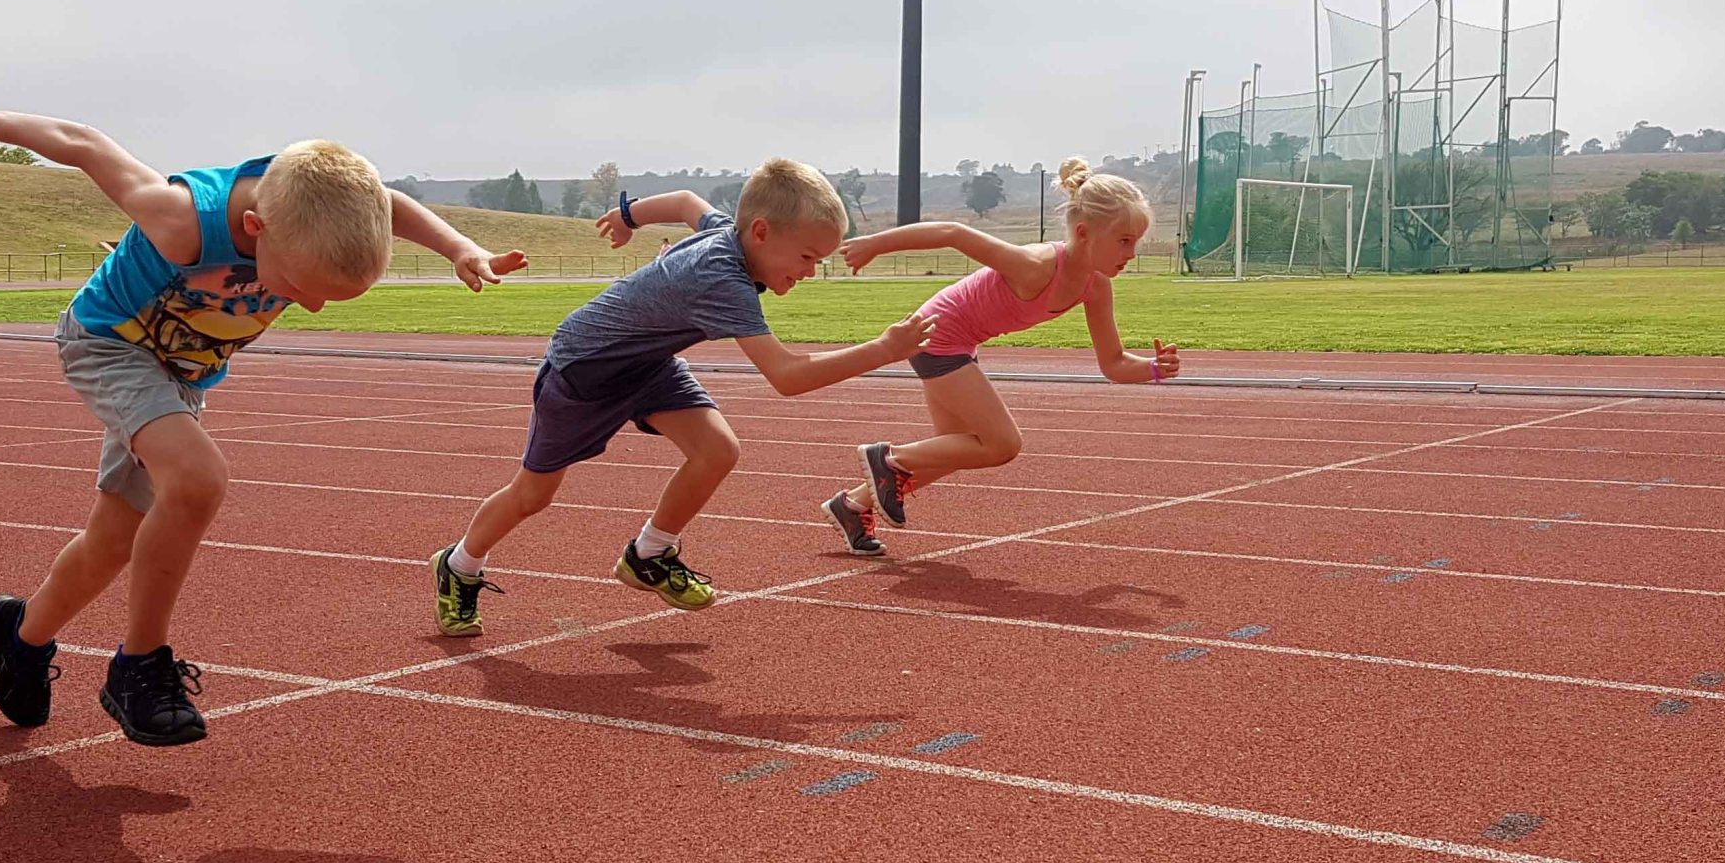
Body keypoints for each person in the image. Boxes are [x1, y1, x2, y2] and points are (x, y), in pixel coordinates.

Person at [0, 111, 524, 745]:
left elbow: (387, 201)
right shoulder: (180, 218)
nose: (305, 306)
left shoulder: (322, 207)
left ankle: (23, 638)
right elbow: (85, 143)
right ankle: (139, 666)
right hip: (110, 345)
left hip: (181, 373)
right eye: (299, 288)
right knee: (198, 480)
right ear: (254, 229)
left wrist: (459, 247)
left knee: (116, 540)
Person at [426, 161, 936, 637]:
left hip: (649, 366)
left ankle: (650, 554)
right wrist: (886, 349)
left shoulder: (728, 232)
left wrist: (627, 216)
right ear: (760, 232)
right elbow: (786, 376)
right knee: (531, 496)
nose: (810, 271)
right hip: (586, 371)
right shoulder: (721, 278)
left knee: (717, 450)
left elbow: (687, 200)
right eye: (806, 257)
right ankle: (459, 564)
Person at [822, 157, 1180, 555]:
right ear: (1084, 233)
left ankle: (852, 505)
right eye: (1124, 240)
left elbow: (1112, 363)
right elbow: (954, 233)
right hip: (936, 335)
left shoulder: (1095, 287)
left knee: (955, 449)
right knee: (1001, 444)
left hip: (958, 342)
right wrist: (875, 243)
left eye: (1137, 242)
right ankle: (888, 458)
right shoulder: (1036, 265)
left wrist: (1153, 369)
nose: (1132, 253)